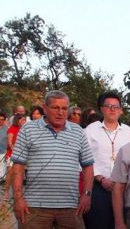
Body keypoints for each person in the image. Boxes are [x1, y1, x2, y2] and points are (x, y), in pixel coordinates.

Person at [10, 90, 94, 228]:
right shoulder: (28, 129)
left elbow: (88, 166)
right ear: (45, 108)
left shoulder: (78, 131)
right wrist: (18, 199)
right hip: (34, 207)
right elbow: (18, 166)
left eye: (64, 108)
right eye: (55, 107)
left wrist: (87, 195)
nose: (60, 112)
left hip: (71, 206)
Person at [84, 93, 130, 229]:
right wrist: (100, 178)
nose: (112, 109)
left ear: (120, 110)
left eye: (116, 107)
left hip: (123, 188)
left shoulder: (128, 132)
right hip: (98, 186)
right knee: (98, 223)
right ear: (101, 109)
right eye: (108, 106)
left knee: (121, 223)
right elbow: (85, 158)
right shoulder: (91, 130)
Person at [3, 113, 26, 201]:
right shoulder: (12, 129)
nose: (24, 122)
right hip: (12, 155)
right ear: (17, 120)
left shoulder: (24, 130)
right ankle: (6, 191)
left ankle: (16, 193)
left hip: (22, 155)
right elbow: (10, 144)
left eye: (24, 120)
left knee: (19, 174)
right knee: (10, 173)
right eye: (22, 120)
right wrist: (17, 152)